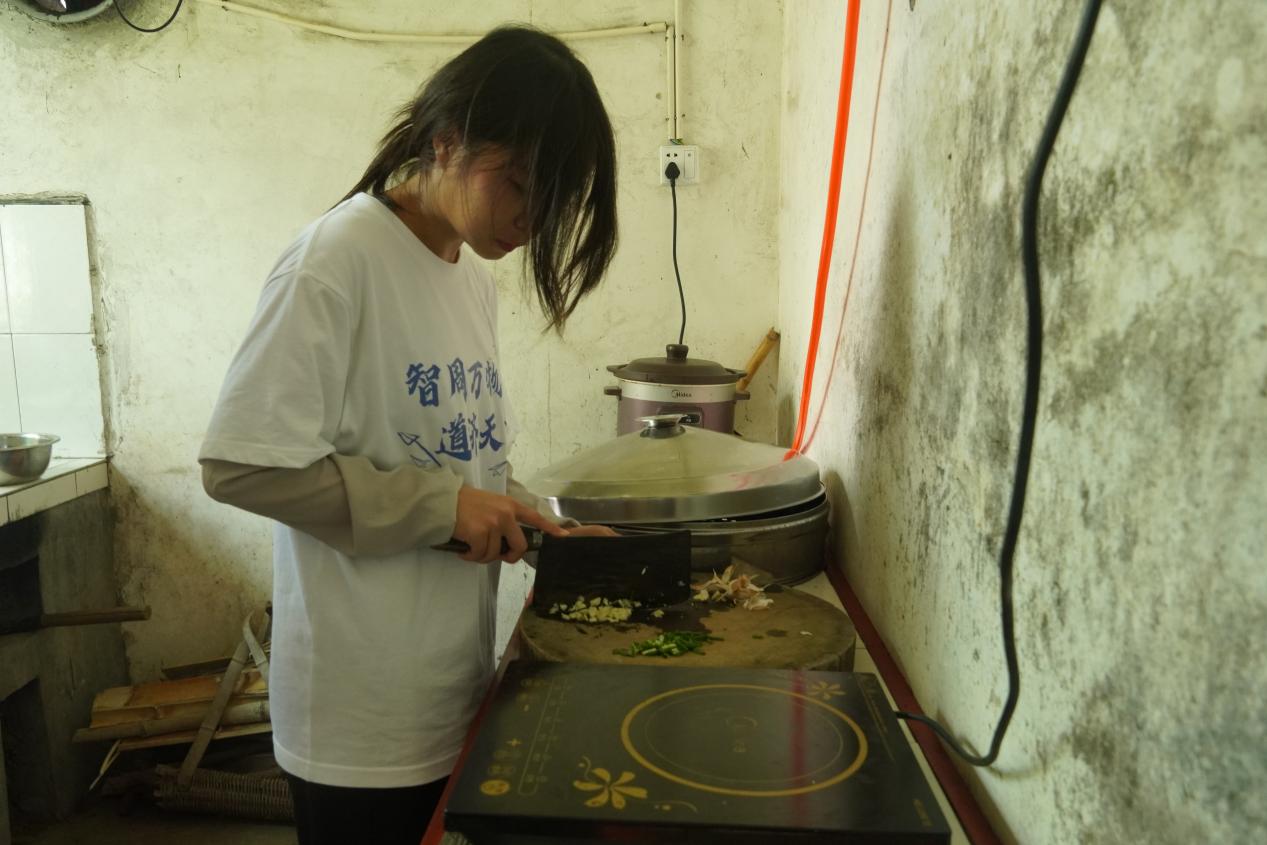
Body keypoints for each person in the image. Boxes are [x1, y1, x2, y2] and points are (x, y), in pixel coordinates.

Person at [198, 25, 618, 845]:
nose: (531, 219)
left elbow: (460, 463)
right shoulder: (336, 258)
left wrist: (539, 524)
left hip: (446, 690)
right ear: (446, 139)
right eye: (519, 183)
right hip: (357, 722)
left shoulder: (471, 284)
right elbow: (240, 465)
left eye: (552, 201)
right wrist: (440, 509)